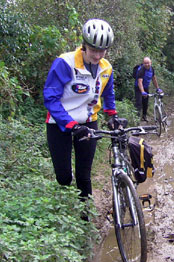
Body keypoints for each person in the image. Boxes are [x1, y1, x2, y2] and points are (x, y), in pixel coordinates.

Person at [43, 19, 118, 217]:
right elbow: (50, 98)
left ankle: (84, 217)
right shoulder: (65, 62)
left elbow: (108, 93)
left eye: (103, 51)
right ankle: (65, 207)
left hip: (88, 122)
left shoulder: (106, 67)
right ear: (84, 45)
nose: (98, 55)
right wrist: (71, 125)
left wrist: (112, 115)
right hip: (59, 124)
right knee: (64, 176)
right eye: (94, 50)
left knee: (84, 175)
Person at [134, 57, 162, 122]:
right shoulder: (141, 70)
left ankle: (144, 116)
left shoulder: (152, 69)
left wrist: (157, 88)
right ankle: (136, 119)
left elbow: (154, 79)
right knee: (139, 103)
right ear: (143, 63)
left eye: (148, 63)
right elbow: (139, 82)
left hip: (146, 87)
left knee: (145, 102)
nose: (147, 64)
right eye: (145, 63)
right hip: (138, 88)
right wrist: (142, 91)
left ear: (151, 63)